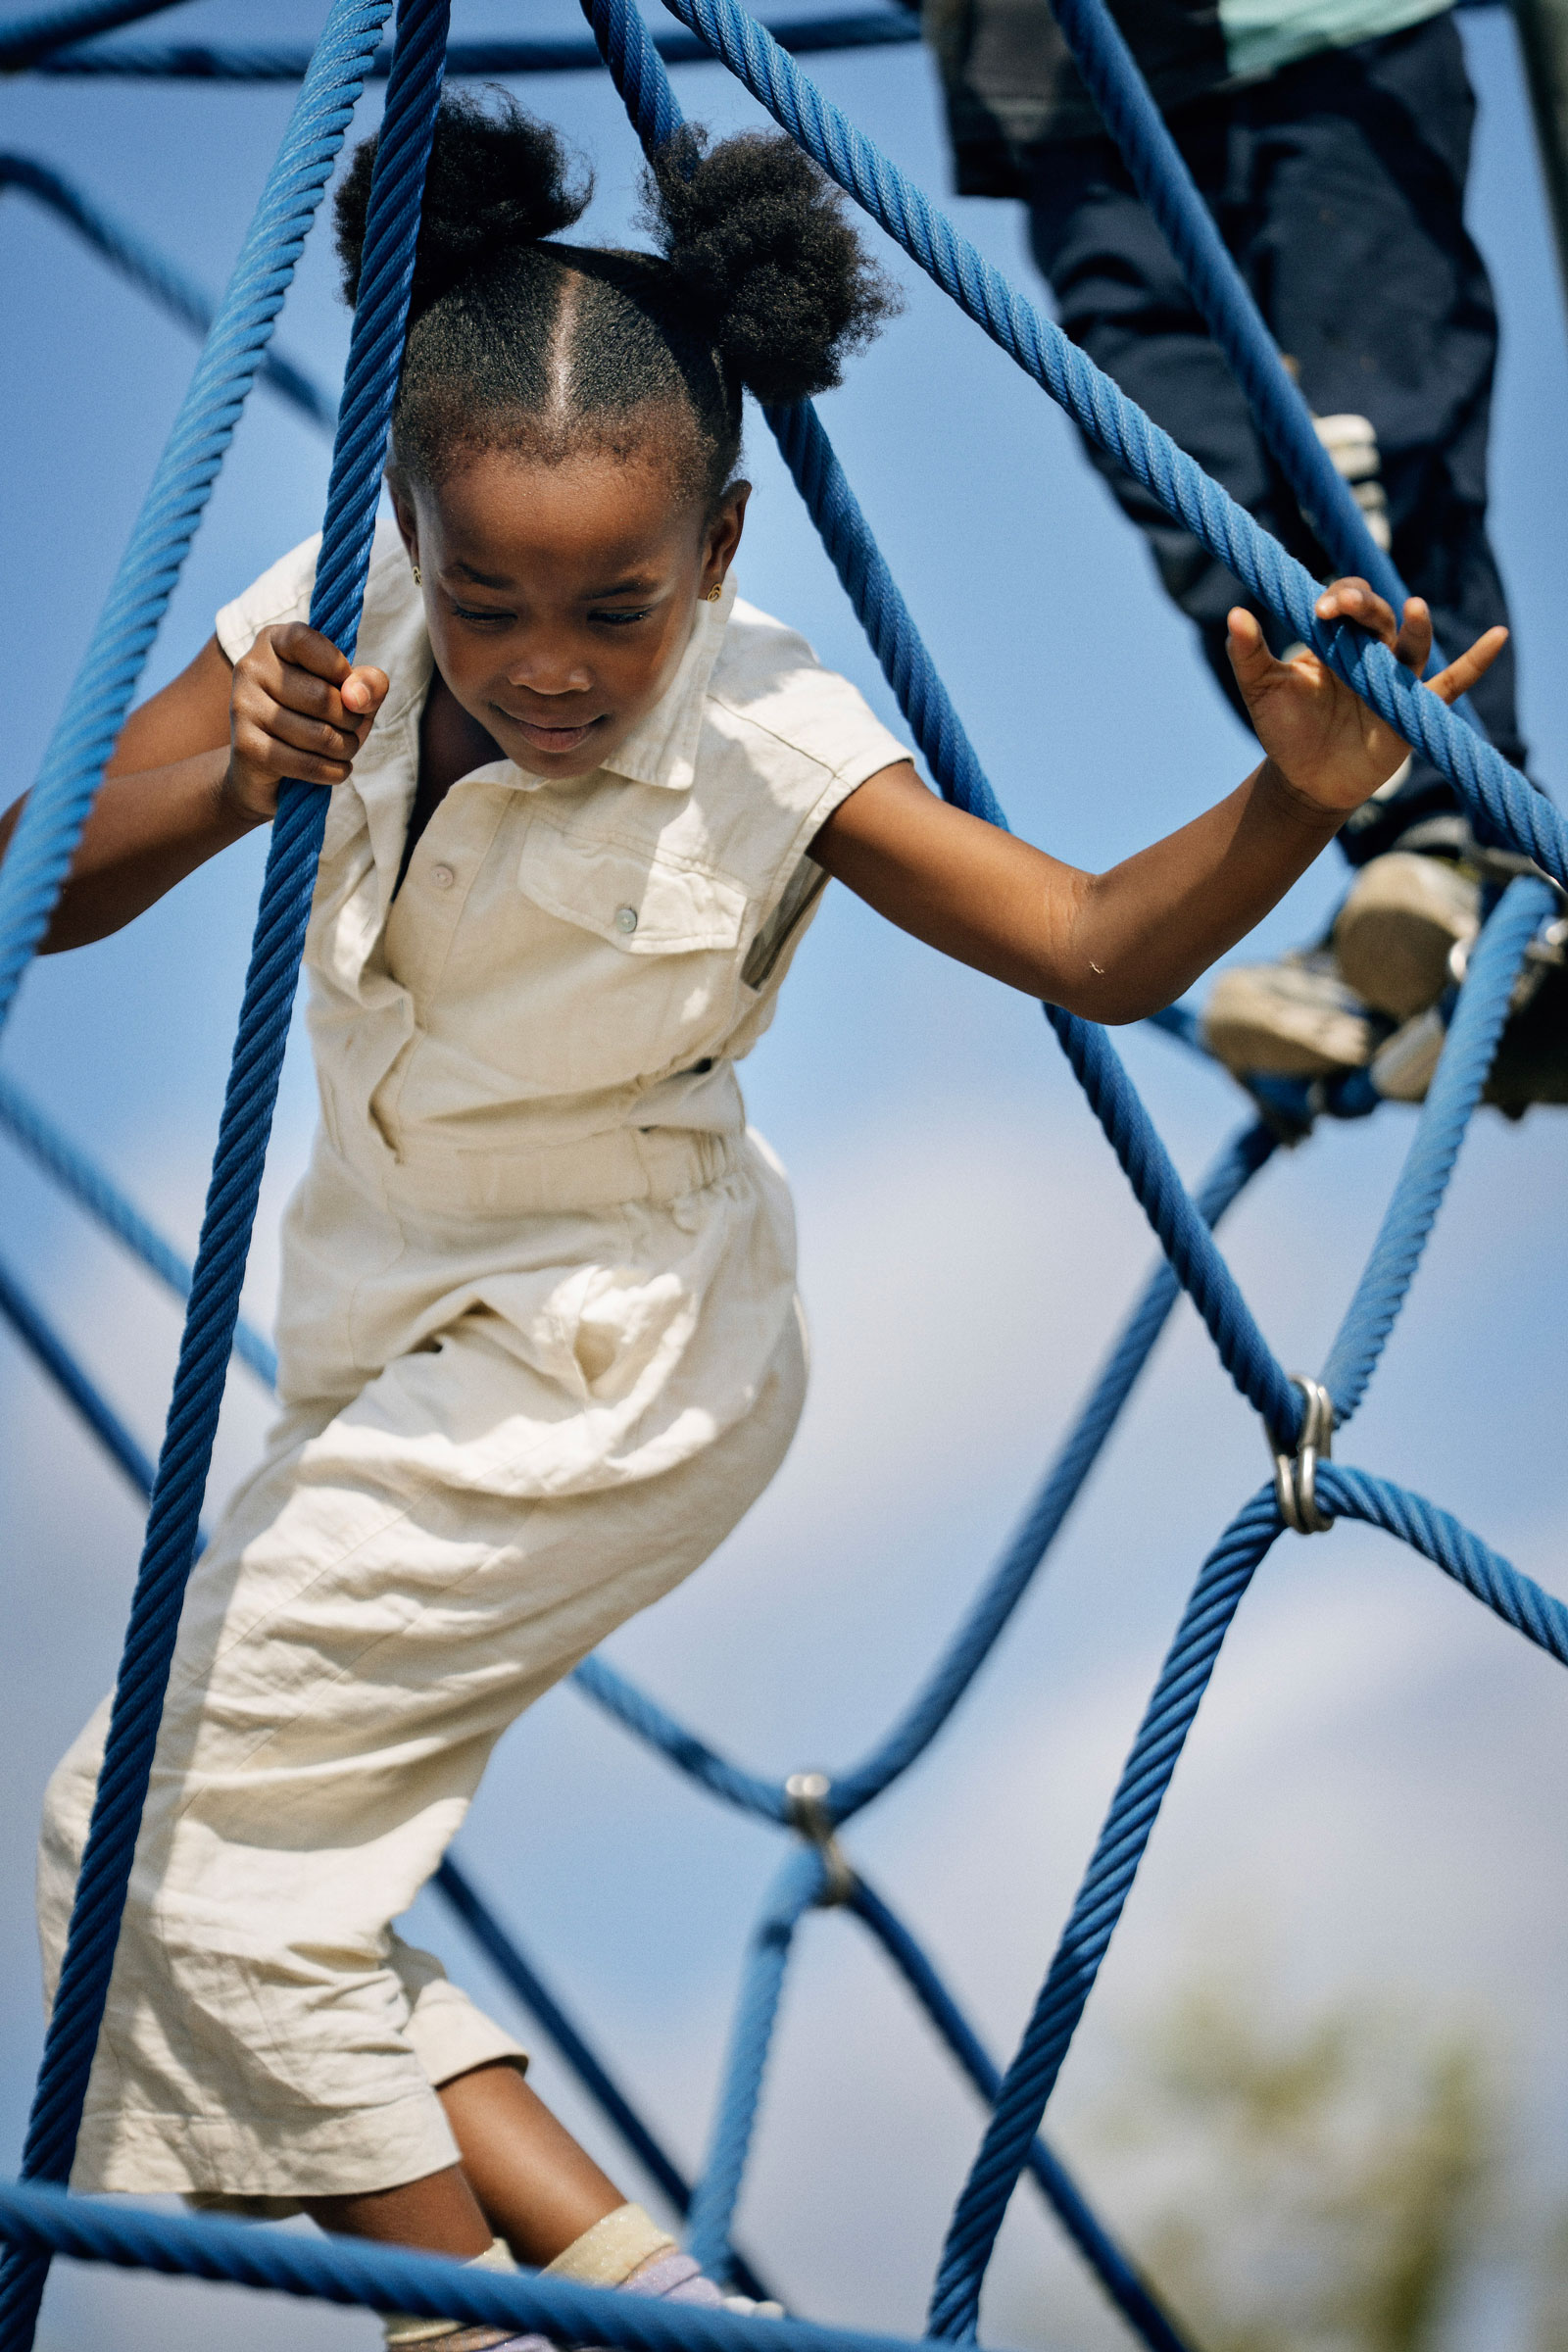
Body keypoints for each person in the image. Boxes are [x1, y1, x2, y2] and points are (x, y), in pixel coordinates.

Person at [7, 92, 1499, 2342]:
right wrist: (232, 758)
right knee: (145, 1862)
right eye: (489, 599)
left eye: (613, 605)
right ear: (408, 523)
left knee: (187, 1857)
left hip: (611, 1359)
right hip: (395, 1356)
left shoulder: (766, 731)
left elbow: (1091, 940)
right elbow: (32, 880)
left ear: (709, 549)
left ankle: (471, 2324)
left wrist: (1287, 807)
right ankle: (631, 2271)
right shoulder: (345, 631)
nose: (543, 664)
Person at [929, 0, 1566, 1105]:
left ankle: (1474, 840)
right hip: (1067, 78)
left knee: (1367, 446)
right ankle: (1411, 856)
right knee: (1195, 493)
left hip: (1325, 28)